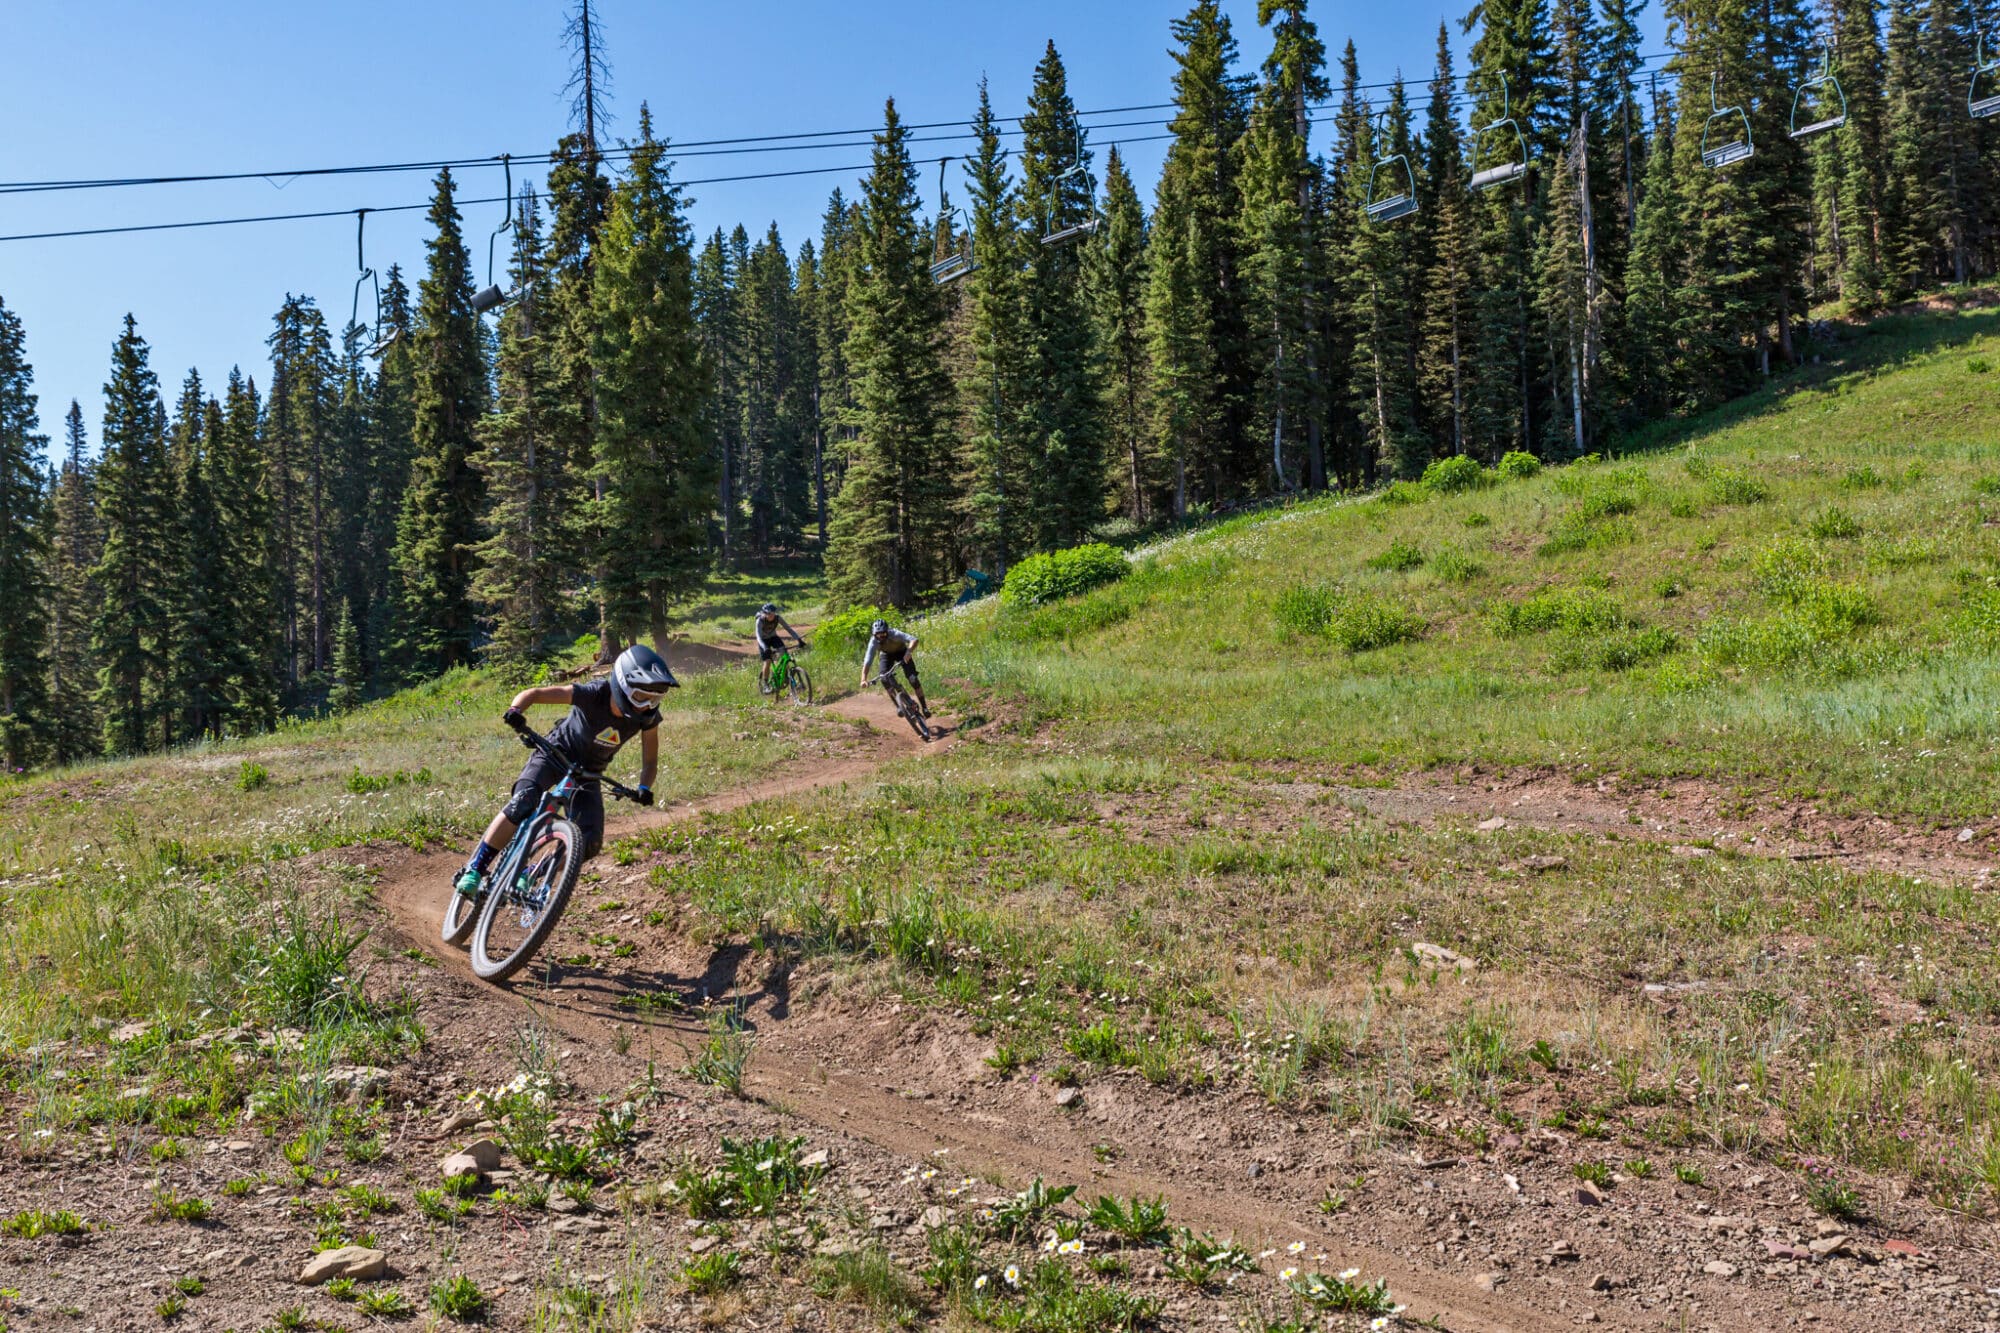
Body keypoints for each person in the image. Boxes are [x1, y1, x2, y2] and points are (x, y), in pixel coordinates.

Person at [453, 644, 676, 898]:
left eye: (656, 699)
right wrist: (516, 711)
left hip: (588, 774)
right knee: (523, 802)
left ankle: (531, 873)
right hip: (553, 754)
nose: (648, 706)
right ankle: (475, 868)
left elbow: (650, 761)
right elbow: (534, 693)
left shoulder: (648, 719)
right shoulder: (594, 693)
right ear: (623, 685)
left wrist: (644, 788)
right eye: (641, 697)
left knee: (588, 842)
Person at [860, 618, 929, 717]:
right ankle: (899, 706)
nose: (881, 637)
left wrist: (909, 652)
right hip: (886, 655)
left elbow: (914, 639)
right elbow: (867, 661)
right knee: (884, 679)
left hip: (902, 652)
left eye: (883, 634)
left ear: (887, 631)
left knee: (913, 679)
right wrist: (863, 679)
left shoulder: (895, 634)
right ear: (874, 634)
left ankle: (924, 707)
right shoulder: (873, 641)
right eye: (878, 635)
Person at [754, 602, 806, 692]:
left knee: (785, 655)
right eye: (770, 614)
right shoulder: (760, 621)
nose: (772, 616)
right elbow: (758, 637)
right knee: (768, 661)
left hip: (773, 638)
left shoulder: (777, 618)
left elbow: (788, 629)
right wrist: (765, 648)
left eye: (773, 613)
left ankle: (785, 675)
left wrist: (799, 639)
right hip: (763, 641)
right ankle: (765, 684)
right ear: (765, 614)